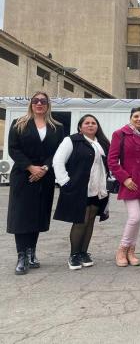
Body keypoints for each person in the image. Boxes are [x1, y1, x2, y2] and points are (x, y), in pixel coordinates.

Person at [7, 91, 64, 275]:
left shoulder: (57, 127)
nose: (39, 104)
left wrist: (45, 168)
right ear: (31, 104)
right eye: (36, 101)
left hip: (45, 176)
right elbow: (13, 149)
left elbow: (58, 151)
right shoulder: (19, 124)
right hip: (24, 176)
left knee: (38, 214)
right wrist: (31, 167)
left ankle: (32, 252)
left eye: (43, 101)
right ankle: (21, 255)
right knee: (22, 215)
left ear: (48, 105)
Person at [53, 114, 110, 270]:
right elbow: (58, 161)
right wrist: (64, 182)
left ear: (97, 126)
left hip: (97, 188)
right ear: (80, 127)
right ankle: (74, 255)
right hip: (79, 187)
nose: (90, 125)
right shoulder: (71, 141)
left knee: (91, 219)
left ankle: (84, 252)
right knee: (80, 220)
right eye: (87, 123)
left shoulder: (102, 143)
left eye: (93, 123)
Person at [108, 107, 140, 267]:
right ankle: (122, 249)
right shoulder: (120, 134)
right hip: (130, 182)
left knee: (138, 220)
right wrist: (124, 179)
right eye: (136, 116)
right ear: (130, 118)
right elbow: (112, 160)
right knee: (134, 217)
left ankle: (131, 251)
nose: (139, 119)